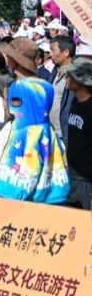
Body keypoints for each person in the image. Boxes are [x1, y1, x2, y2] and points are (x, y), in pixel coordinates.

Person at [59, 57, 92, 209]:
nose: (67, 78)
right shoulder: (74, 103)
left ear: (81, 80)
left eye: (70, 75)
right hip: (72, 175)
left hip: (86, 181)